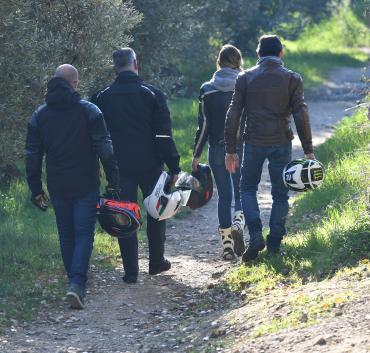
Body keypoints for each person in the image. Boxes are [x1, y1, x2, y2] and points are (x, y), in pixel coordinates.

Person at [26, 64, 119, 309]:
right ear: (75, 84)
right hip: (86, 183)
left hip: (57, 184)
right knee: (83, 235)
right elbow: (106, 150)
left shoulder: (39, 115)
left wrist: (35, 188)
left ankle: (73, 283)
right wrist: (114, 181)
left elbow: (32, 155)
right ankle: (77, 284)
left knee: (66, 235)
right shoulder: (89, 111)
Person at [92, 48, 181, 284]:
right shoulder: (152, 94)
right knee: (156, 211)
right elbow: (163, 136)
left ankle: (131, 271)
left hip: (118, 167)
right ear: (136, 64)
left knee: (124, 214)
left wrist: (98, 165)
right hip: (150, 164)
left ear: (115, 67)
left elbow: (97, 137)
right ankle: (156, 262)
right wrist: (173, 166)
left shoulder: (101, 97)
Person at [224, 35, 315, 262]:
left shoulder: (245, 78)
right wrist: (308, 150)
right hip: (281, 142)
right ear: (281, 53)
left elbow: (233, 113)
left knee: (247, 189)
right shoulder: (292, 78)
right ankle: (274, 242)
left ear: (258, 54)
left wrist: (230, 148)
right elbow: (301, 114)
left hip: (253, 142)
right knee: (280, 193)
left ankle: (255, 234)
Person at [192, 44, 246, 261]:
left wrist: (196, 154)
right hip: (241, 148)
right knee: (242, 191)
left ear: (219, 62)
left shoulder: (207, 89)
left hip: (216, 148)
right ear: (239, 62)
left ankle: (226, 245)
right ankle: (238, 224)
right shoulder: (245, 84)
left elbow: (203, 125)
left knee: (225, 196)